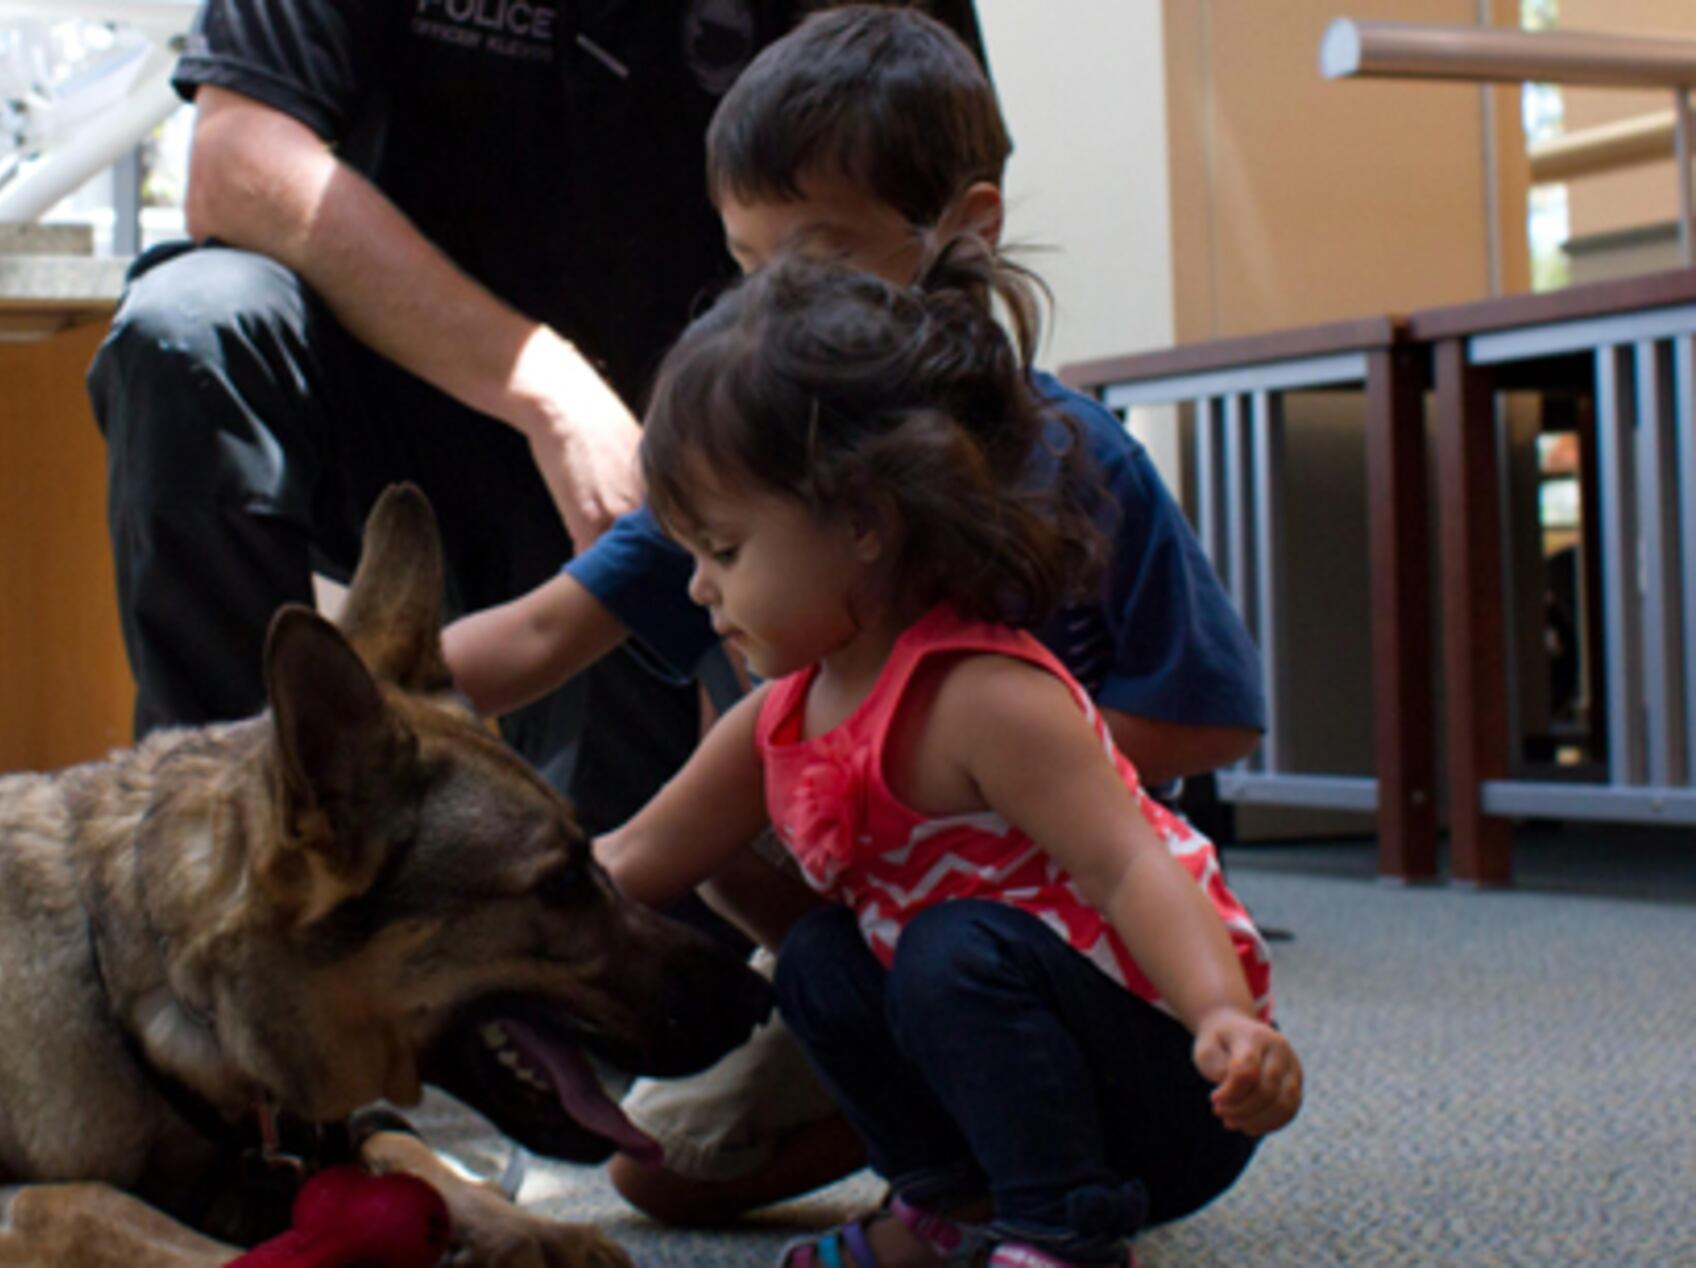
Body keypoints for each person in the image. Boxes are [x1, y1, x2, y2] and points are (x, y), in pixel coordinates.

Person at [432, 6, 1268, 1226]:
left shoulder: (1077, 459)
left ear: (960, 228)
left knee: (956, 956)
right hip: (888, 917)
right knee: (659, 1165)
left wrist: (984, 763)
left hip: (1086, 940)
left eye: (817, 258)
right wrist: (320, 704)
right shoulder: (747, 463)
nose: (776, 299)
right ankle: (941, 1176)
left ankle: (1056, 1203)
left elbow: (1206, 718)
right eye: (746, 261)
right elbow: (541, 650)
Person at [85, 1, 987, 835]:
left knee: (638, 913)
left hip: (692, 462)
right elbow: (239, 159)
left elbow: (934, 198)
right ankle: (219, 832)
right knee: (189, 328)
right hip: (411, 419)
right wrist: (543, 389)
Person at [598, 243, 1301, 1268]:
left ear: (864, 524)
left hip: (1167, 1086)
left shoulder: (981, 695)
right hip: (997, 1062)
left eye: (726, 550)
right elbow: (621, 864)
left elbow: (1129, 863)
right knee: (821, 960)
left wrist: (1223, 1021)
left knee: (946, 947)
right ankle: (950, 1205)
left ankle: (1066, 1232)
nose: (700, 588)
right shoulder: (775, 717)